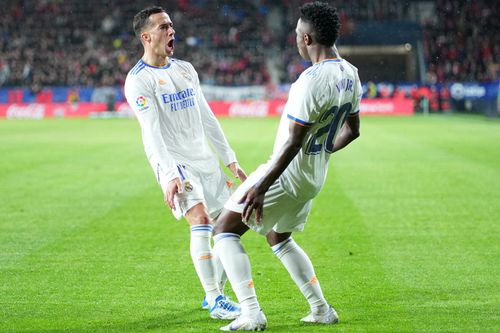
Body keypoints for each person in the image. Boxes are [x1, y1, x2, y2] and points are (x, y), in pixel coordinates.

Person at [213, 2, 362, 331]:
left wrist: (260, 187)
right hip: (314, 176)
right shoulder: (351, 74)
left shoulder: (310, 81)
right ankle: (321, 308)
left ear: (307, 39)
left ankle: (251, 313)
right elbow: (353, 130)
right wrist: (322, 152)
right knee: (278, 238)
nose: (295, 40)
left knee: (223, 230)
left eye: (297, 35)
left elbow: (293, 142)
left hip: (288, 174)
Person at [123, 6, 247, 320]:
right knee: (201, 220)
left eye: (172, 26)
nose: (172, 31)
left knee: (228, 226)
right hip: (175, 163)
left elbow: (208, 118)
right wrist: (167, 175)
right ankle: (216, 299)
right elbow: (151, 133)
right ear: (147, 36)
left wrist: (230, 160)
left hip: (204, 159)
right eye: (164, 27)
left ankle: (213, 292)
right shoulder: (138, 81)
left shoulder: (185, 69)